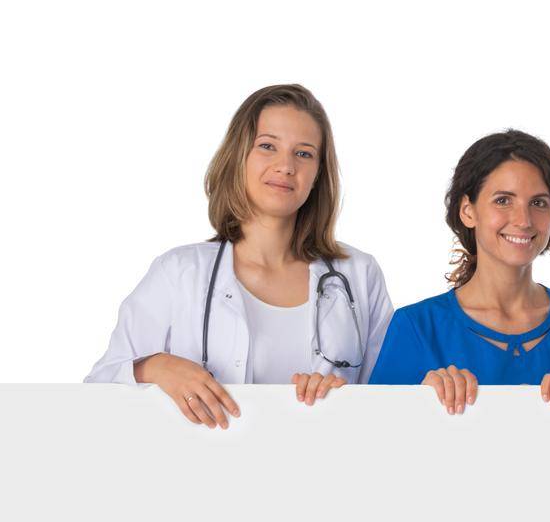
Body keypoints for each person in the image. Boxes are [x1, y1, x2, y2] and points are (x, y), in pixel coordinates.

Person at [86, 84, 392, 427]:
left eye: (304, 153)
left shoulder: (358, 275)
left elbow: (395, 394)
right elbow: (98, 389)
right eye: (267, 146)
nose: (286, 166)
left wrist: (343, 398)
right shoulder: (179, 272)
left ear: (318, 173)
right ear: (239, 156)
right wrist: (155, 367)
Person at [369, 130, 550, 413]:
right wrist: (422, 405)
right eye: (503, 200)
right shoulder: (416, 327)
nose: (523, 220)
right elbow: (376, 438)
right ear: (467, 211)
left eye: (538, 203)